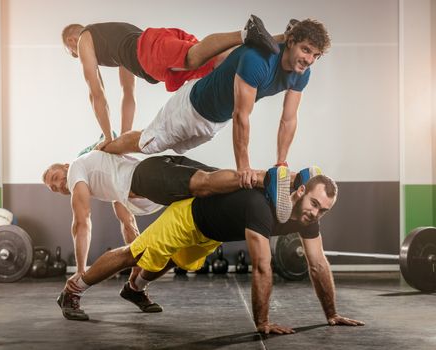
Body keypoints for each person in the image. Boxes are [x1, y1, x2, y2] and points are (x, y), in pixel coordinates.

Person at [56, 171, 364, 333]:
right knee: (135, 253)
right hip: (189, 216)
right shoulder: (263, 207)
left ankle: (134, 288)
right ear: (300, 193)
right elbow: (261, 267)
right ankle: (73, 290)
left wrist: (332, 314)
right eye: (314, 204)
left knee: (173, 261)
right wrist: (263, 322)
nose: (316, 213)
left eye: (323, 210)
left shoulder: (307, 219)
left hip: (210, 234)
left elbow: (318, 265)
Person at [43, 151, 292, 319]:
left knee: (211, 183)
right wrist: (136, 263)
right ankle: (130, 288)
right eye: (52, 189)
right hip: (161, 182)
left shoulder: (77, 169)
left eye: (55, 178)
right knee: (215, 187)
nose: (57, 186)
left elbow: (82, 220)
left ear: (66, 166)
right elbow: (128, 223)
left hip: (151, 176)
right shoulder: (106, 183)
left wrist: (80, 266)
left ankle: (271, 178)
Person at [101, 19, 331, 190]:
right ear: (291, 42)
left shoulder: (302, 73)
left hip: (215, 122)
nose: (309, 60)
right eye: (305, 50)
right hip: (191, 108)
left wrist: (281, 161)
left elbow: (288, 119)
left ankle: (114, 156)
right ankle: (103, 149)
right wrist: (244, 167)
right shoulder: (258, 60)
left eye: (315, 55)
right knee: (147, 143)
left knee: (171, 147)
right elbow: (241, 115)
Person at [62, 16, 280, 149]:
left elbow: (95, 91)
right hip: (152, 52)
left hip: (149, 50)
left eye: (71, 52)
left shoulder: (83, 39)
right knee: (215, 60)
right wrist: (124, 136)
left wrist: (108, 137)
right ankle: (283, 40)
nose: (76, 55)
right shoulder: (111, 41)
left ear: (71, 41)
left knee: (195, 56)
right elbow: (127, 92)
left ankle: (246, 33)